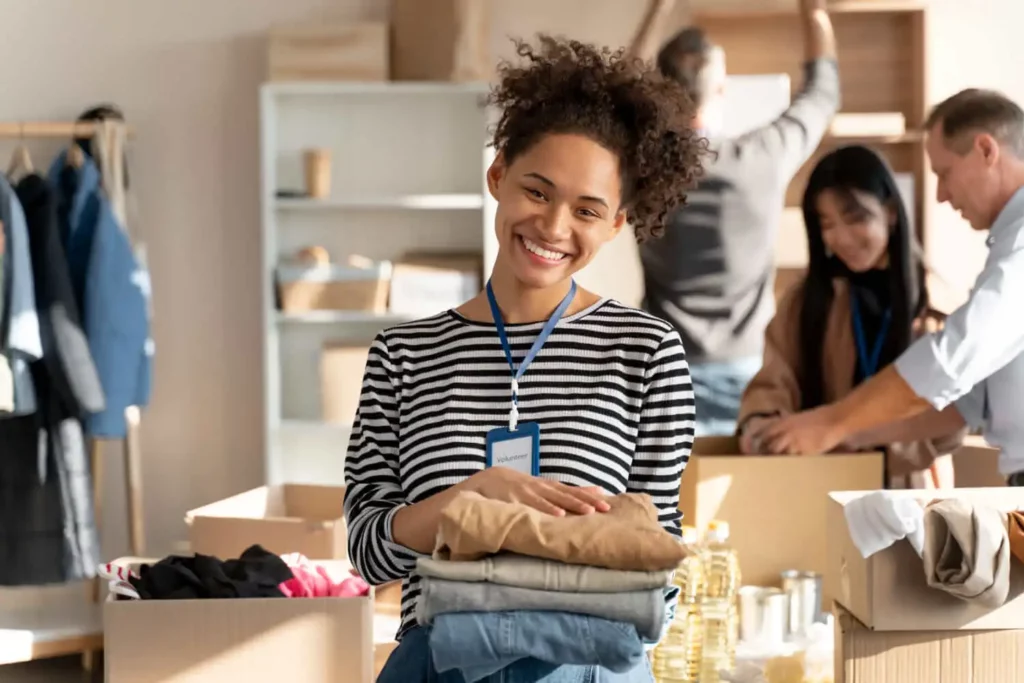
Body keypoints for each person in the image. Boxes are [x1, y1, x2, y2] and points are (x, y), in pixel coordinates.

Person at [344, 36, 704, 682]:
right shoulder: (403, 355)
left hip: (587, 667)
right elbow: (368, 549)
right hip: (437, 666)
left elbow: (659, 565)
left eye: (587, 210)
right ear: (497, 176)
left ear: (616, 223)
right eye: (537, 191)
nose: (554, 226)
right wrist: (470, 499)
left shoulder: (647, 352)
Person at [758, 89, 1024, 486]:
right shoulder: (807, 299)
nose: (941, 194)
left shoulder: (984, 267)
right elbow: (968, 402)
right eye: (827, 225)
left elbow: (951, 362)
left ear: (986, 150)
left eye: (944, 173)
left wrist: (833, 422)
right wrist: (842, 433)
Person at [628, 0, 840, 436]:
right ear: (720, 88)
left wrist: (657, 9)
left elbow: (618, 91)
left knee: (663, 499)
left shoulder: (643, 164)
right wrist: (813, 13)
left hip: (660, 369)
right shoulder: (762, 157)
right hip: (747, 373)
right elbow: (823, 92)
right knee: (741, 499)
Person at [736, 145, 964, 487]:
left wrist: (851, 432)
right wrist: (763, 425)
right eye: (826, 224)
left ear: (889, 211)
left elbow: (954, 418)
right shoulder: (808, 298)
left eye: (856, 218)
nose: (840, 238)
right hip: (821, 483)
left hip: (912, 491)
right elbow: (774, 378)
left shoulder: (937, 303)